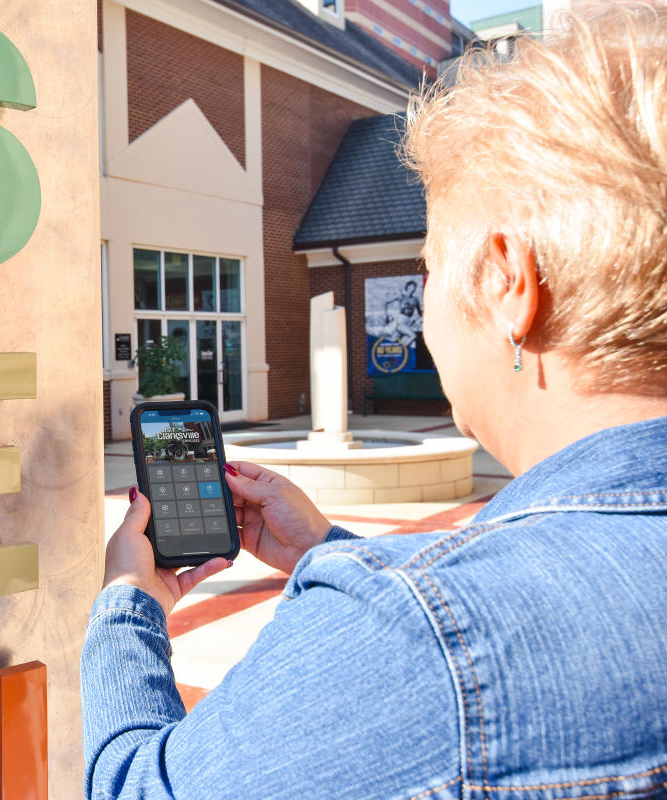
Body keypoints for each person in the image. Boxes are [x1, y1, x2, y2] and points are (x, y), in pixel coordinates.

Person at [80, 5, 667, 798]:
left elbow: (137, 788)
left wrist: (128, 604)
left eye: (428, 270)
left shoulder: (414, 638)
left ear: (506, 283)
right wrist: (330, 549)